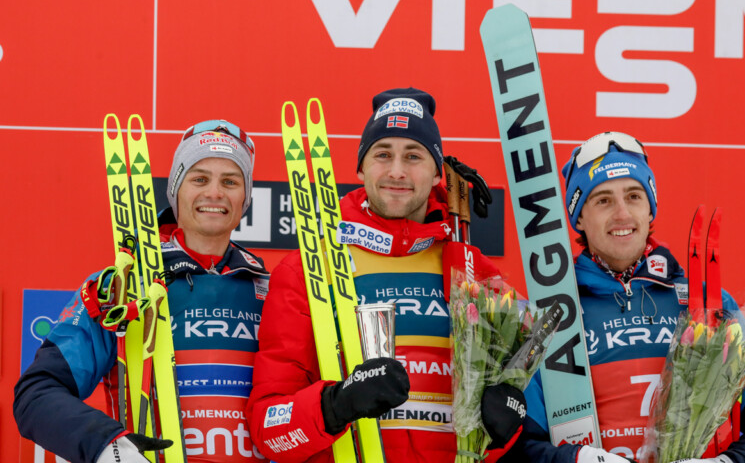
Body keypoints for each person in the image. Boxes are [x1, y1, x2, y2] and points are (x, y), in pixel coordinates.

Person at [246, 88, 526, 462]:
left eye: (413, 156)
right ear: (361, 167)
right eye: (382, 155)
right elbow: (269, 430)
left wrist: (507, 426)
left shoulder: (476, 273)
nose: (397, 171)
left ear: (436, 171)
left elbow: (502, 434)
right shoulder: (308, 269)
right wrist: (335, 405)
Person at [14, 121, 270, 463]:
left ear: (245, 197)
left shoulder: (271, 290)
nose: (214, 193)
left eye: (230, 181)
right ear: (176, 190)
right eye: (199, 178)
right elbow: (36, 394)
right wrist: (107, 444)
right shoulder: (122, 286)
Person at [504, 132, 745, 463]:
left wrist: (729, 462)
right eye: (602, 200)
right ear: (579, 218)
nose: (622, 214)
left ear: (650, 209)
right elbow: (520, 445)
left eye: (633, 196)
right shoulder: (551, 314)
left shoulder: (707, 303)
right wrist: (581, 460)